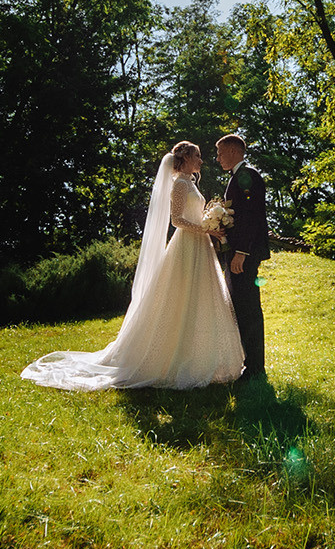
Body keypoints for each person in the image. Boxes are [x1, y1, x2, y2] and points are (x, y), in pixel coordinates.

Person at [20, 141, 244, 390]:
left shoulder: (192, 183)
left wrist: (210, 224)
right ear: (186, 159)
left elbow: (193, 215)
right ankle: (169, 357)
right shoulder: (179, 184)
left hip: (200, 245)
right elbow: (177, 220)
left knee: (200, 298)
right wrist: (204, 228)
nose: (202, 161)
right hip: (185, 246)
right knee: (179, 298)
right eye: (198, 156)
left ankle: (199, 357)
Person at [215, 132, 270, 380]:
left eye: (220, 153)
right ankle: (249, 363)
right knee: (242, 307)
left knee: (248, 309)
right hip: (237, 252)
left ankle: (256, 368)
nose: (217, 158)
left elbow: (251, 216)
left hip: (244, 255)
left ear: (234, 151)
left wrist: (242, 252)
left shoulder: (247, 175)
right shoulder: (238, 177)